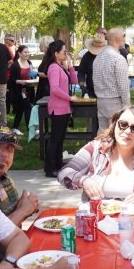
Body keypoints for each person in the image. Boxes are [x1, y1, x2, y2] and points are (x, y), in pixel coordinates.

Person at [58, 105, 134, 207]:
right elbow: (64, 173)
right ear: (114, 125)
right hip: (95, 217)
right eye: (123, 125)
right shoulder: (96, 148)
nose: (128, 131)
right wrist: (84, 180)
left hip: (132, 220)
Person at [0, 123, 40, 226]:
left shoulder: (4, 179)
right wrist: (23, 211)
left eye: (9, 148)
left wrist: (25, 207)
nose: (4, 154)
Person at [42, 40, 78, 178]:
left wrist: (70, 67)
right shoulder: (53, 67)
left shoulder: (60, 66)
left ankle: (58, 164)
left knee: (60, 138)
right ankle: (50, 167)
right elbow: (55, 89)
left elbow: (74, 81)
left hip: (64, 108)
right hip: (58, 108)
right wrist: (70, 98)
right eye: (64, 51)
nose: (66, 53)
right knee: (55, 139)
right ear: (56, 53)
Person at [92, 28, 131, 131]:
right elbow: (123, 86)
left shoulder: (98, 57)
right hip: (114, 102)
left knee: (102, 134)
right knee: (116, 135)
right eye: (123, 36)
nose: (124, 39)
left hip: (101, 100)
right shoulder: (118, 59)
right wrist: (127, 106)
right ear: (118, 39)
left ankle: (99, 148)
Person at [7, 45, 35, 130]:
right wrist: (21, 82)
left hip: (29, 89)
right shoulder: (15, 65)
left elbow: (31, 75)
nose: (27, 54)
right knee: (28, 107)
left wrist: (33, 74)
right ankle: (30, 129)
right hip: (19, 91)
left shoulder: (29, 62)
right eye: (25, 52)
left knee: (20, 110)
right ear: (19, 53)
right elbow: (12, 80)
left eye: (28, 52)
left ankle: (15, 127)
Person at [77, 33, 104, 98]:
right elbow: (81, 72)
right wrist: (82, 84)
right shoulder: (87, 56)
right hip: (90, 90)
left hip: (105, 91)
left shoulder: (107, 55)